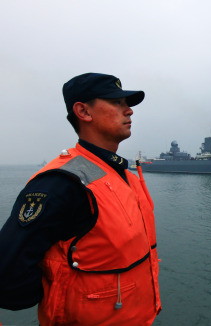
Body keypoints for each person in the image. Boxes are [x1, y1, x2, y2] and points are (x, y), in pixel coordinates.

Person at [0, 73, 161, 325]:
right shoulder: (62, 183)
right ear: (83, 111)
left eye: (126, 103)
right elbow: (8, 274)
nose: (128, 110)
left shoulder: (123, 175)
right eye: (117, 102)